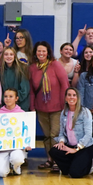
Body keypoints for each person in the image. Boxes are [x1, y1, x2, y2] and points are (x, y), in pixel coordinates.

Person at [29, 41, 68, 171]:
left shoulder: (55, 65)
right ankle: (49, 160)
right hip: (41, 108)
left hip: (57, 107)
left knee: (55, 135)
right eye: (39, 51)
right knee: (46, 136)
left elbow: (64, 85)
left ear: (48, 52)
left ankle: (57, 160)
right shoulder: (33, 67)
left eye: (43, 51)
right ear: (35, 52)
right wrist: (32, 106)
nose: (41, 53)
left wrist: (65, 104)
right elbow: (32, 89)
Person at [49, 87, 93, 178]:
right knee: (53, 151)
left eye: (74, 95)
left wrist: (76, 149)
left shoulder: (85, 112)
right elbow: (62, 132)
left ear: (78, 98)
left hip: (83, 147)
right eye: (69, 95)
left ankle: (88, 165)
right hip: (70, 146)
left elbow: (88, 134)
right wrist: (61, 141)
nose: (71, 97)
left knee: (75, 174)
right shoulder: (64, 113)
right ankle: (72, 166)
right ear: (66, 98)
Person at [0, 89, 31, 177]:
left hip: (17, 147)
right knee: (1, 173)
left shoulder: (22, 114)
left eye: (11, 96)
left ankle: (15, 166)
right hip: (3, 148)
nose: (8, 99)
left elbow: (26, 132)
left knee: (17, 158)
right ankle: (7, 167)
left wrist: (27, 143)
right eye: (6, 96)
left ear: (16, 98)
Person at [0, 47, 30, 111]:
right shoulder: (0, 71)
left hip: (21, 106)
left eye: (11, 54)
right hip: (6, 106)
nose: (8, 56)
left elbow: (24, 90)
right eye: (6, 54)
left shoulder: (22, 69)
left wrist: (12, 100)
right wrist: (6, 100)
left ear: (15, 56)